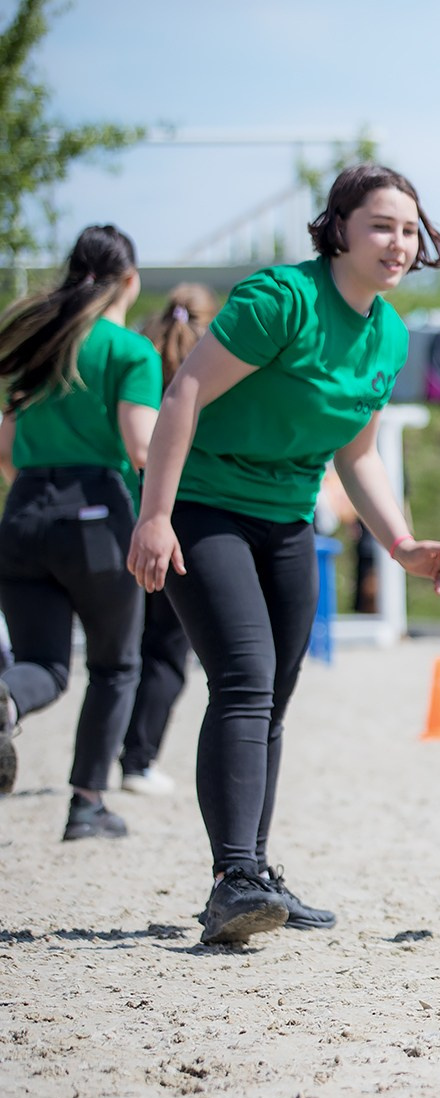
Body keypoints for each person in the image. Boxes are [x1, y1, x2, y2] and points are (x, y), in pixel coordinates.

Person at [127, 164, 440, 946]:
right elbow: (183, 396)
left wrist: (401, 545)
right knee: (242, 678)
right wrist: (156, 515)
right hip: (204, 507)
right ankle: (233, 877)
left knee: (272, 692)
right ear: (339, 226)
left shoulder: (388, 332)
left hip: (285, 523)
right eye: (381, 224)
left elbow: (358, 455)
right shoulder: (283, 300)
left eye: (410, 229)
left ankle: (255, 873)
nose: (398, 243)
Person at [0, 225, 156, 838]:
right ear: (130, 280)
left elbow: (7, 451)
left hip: (23, 511)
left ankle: (8, 698)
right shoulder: (128, 351)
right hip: (98, 512)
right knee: (115, 666)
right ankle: (87, 804)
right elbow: (141, 446)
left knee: (42, 662)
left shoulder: (31, 344)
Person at [117, 284, 219, 797]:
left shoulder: (141, 359)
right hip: (182, 517)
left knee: (119, 650)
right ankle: (137, 759)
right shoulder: (215, 368)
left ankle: (97, 759)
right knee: (166, 648)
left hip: (123, 509)